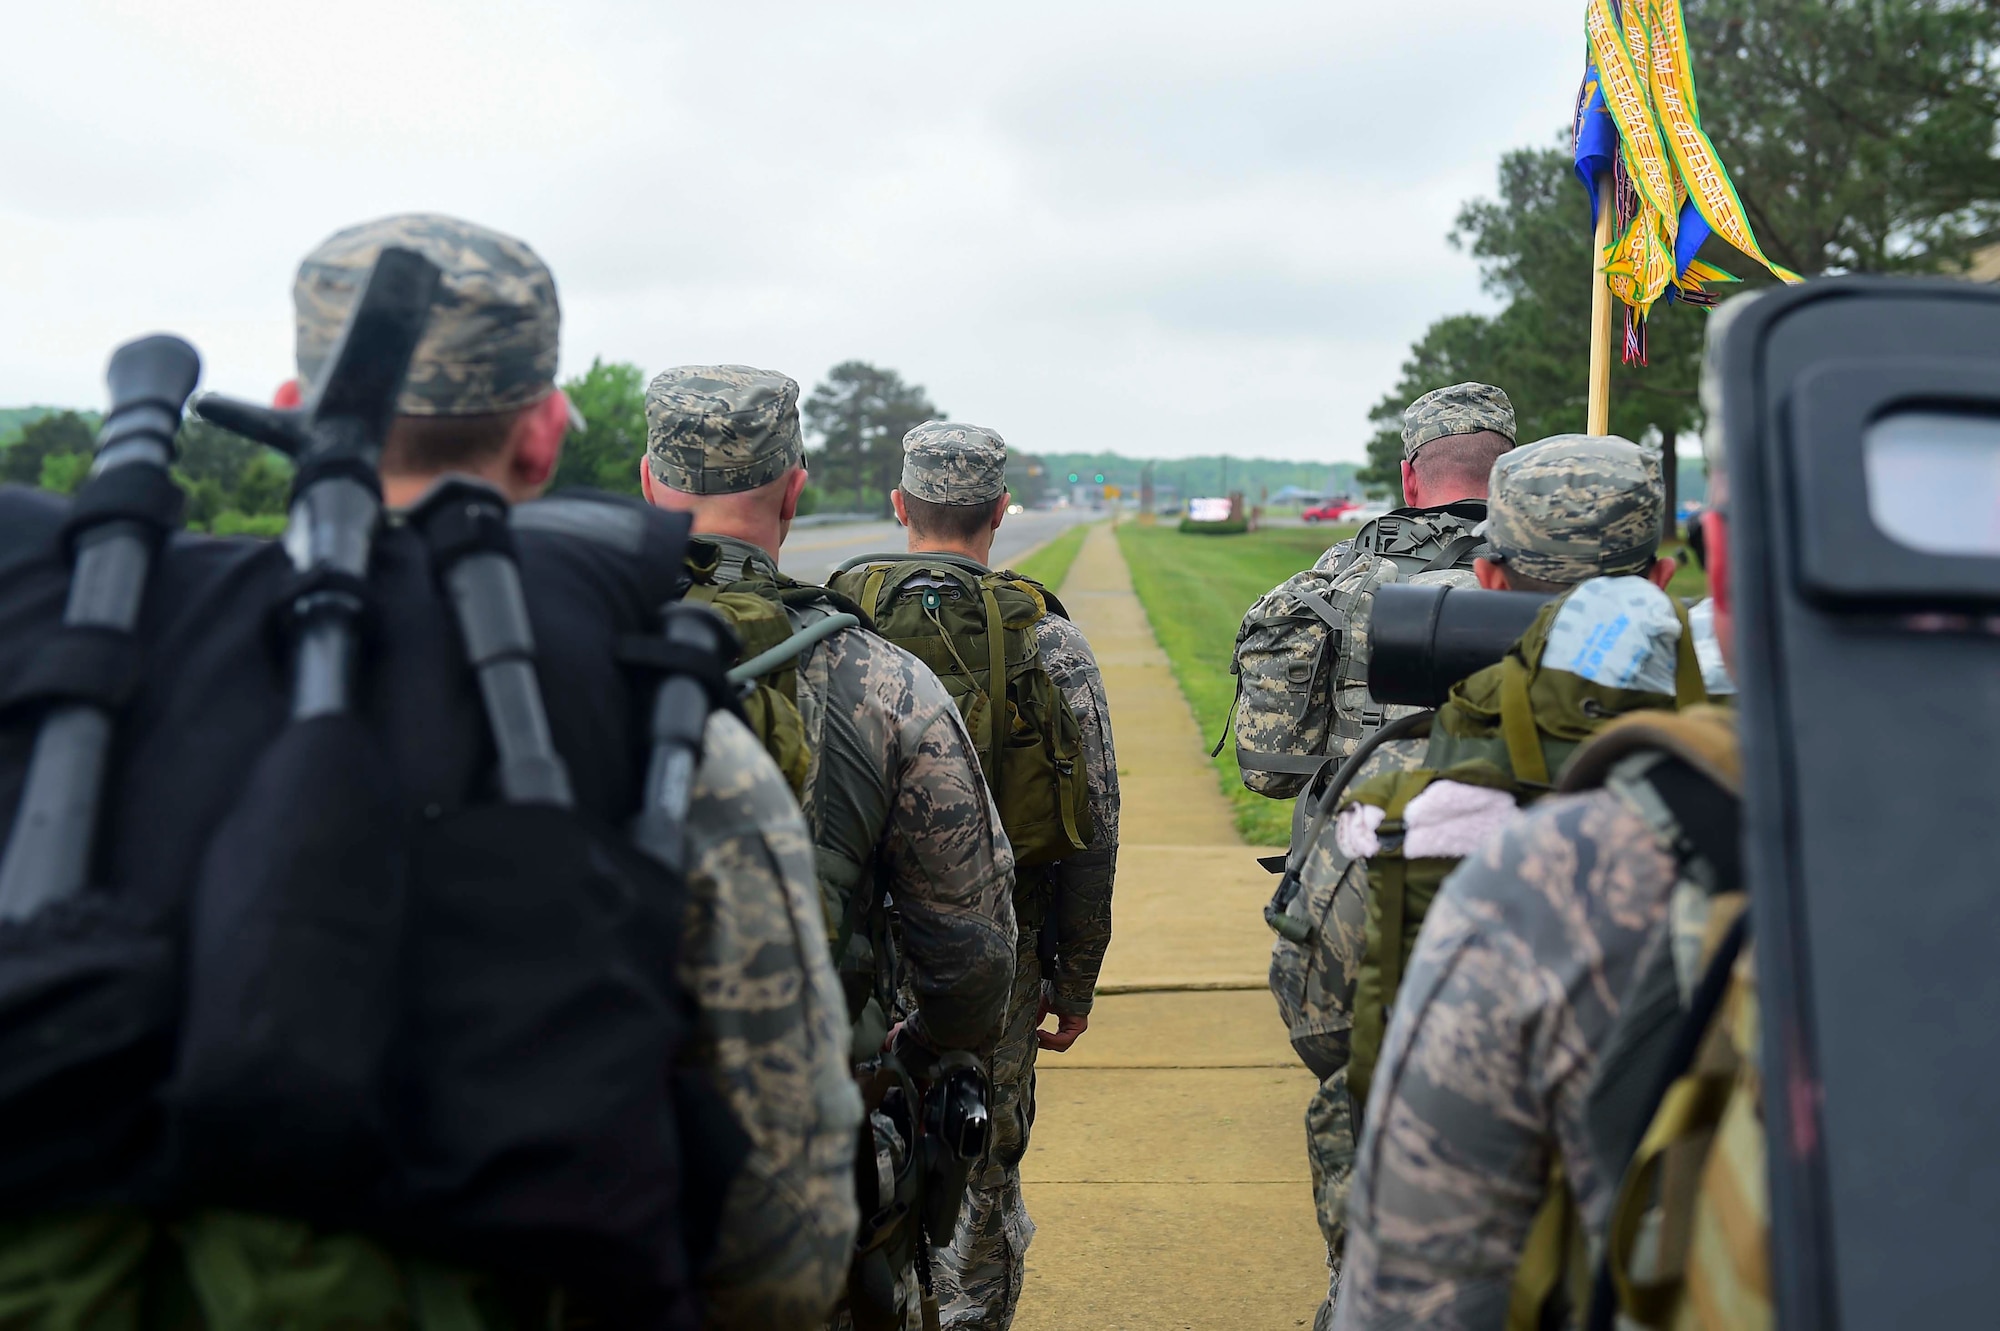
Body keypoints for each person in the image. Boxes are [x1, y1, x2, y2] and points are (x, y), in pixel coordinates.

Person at [638, 369, 1018, 1331]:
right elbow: (973, 952)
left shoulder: (530, 654)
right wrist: (924, 1049)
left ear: (648, 482)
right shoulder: (883, 679)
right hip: (808, 1156)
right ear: (794, 492)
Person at [1328, 433, 1728, 1331]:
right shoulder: (1773, 765)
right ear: (1659, 579)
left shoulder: (1420, 790)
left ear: (1489, 578)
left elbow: (1325, 1009)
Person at [1241, 382, 1516, 1327]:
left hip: (1367, 896)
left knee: (1364, 1105)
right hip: (1537, 897)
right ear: (1509, 468)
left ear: (1409, 473)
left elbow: (1269, 768)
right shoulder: (1568, 588)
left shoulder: (1330, 582)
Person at [845, 422, 1121, 1331]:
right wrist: (1073, 978)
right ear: (1001, 511)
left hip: (857, 947)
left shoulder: (838, 620)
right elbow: (1093, 827)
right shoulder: (1049, 641)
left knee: (849, 1152)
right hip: (994, 951)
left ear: (899, 506)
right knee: (978, 1162)